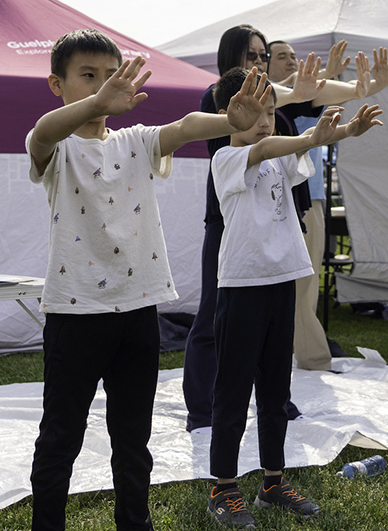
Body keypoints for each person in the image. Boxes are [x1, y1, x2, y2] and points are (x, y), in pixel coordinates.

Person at [25, 29, 272, 531]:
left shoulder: (134, 142)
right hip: (75, 313)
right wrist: (98, 101)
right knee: (61, 437)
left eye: (108, 75)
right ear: (57, 84)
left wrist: (229, 120)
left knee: (133, 439)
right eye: (87, 76)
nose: (102, 86)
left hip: (138, 312)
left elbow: (183, 127)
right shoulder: (59, 147)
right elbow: (42, 133)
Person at [183, 24, 388, 431]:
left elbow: (307, 99)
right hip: (229, 226)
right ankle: (203, 410)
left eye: (263, 55)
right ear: (230, 58)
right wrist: (307, 107)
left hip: (276, 227)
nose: (260, 62)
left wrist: (356, 91)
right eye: (252, 55)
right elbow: (274, 132)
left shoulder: (272, 108)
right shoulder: (220, 97)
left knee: (274, 327)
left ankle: (275, 401)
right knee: (213, 320)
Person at [206, 67, 382, 526]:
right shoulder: (226, 158)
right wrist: (313, 137)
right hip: (242, 288)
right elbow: (269, 147)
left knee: (275, 391)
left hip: (281, 283)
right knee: (232, 391)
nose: (265, 122)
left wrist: (345, 131)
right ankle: (223, 488)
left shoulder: (281, 156)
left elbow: (292, 146)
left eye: (271, 111)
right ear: (228, 114)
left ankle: (272, 482)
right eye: (254, 112)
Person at [266, 38, 388, 371]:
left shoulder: (302, 94)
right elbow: (296, 86)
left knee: (306, 281)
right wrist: (339, 80)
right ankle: (300, 355)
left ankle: (308, 356)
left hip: (309, 197)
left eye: (293, 55)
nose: (291, 60)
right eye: (281, 56)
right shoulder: (270, 100)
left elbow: (317, 90)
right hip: (274, 200)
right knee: (284, 284)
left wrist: (361, 86)